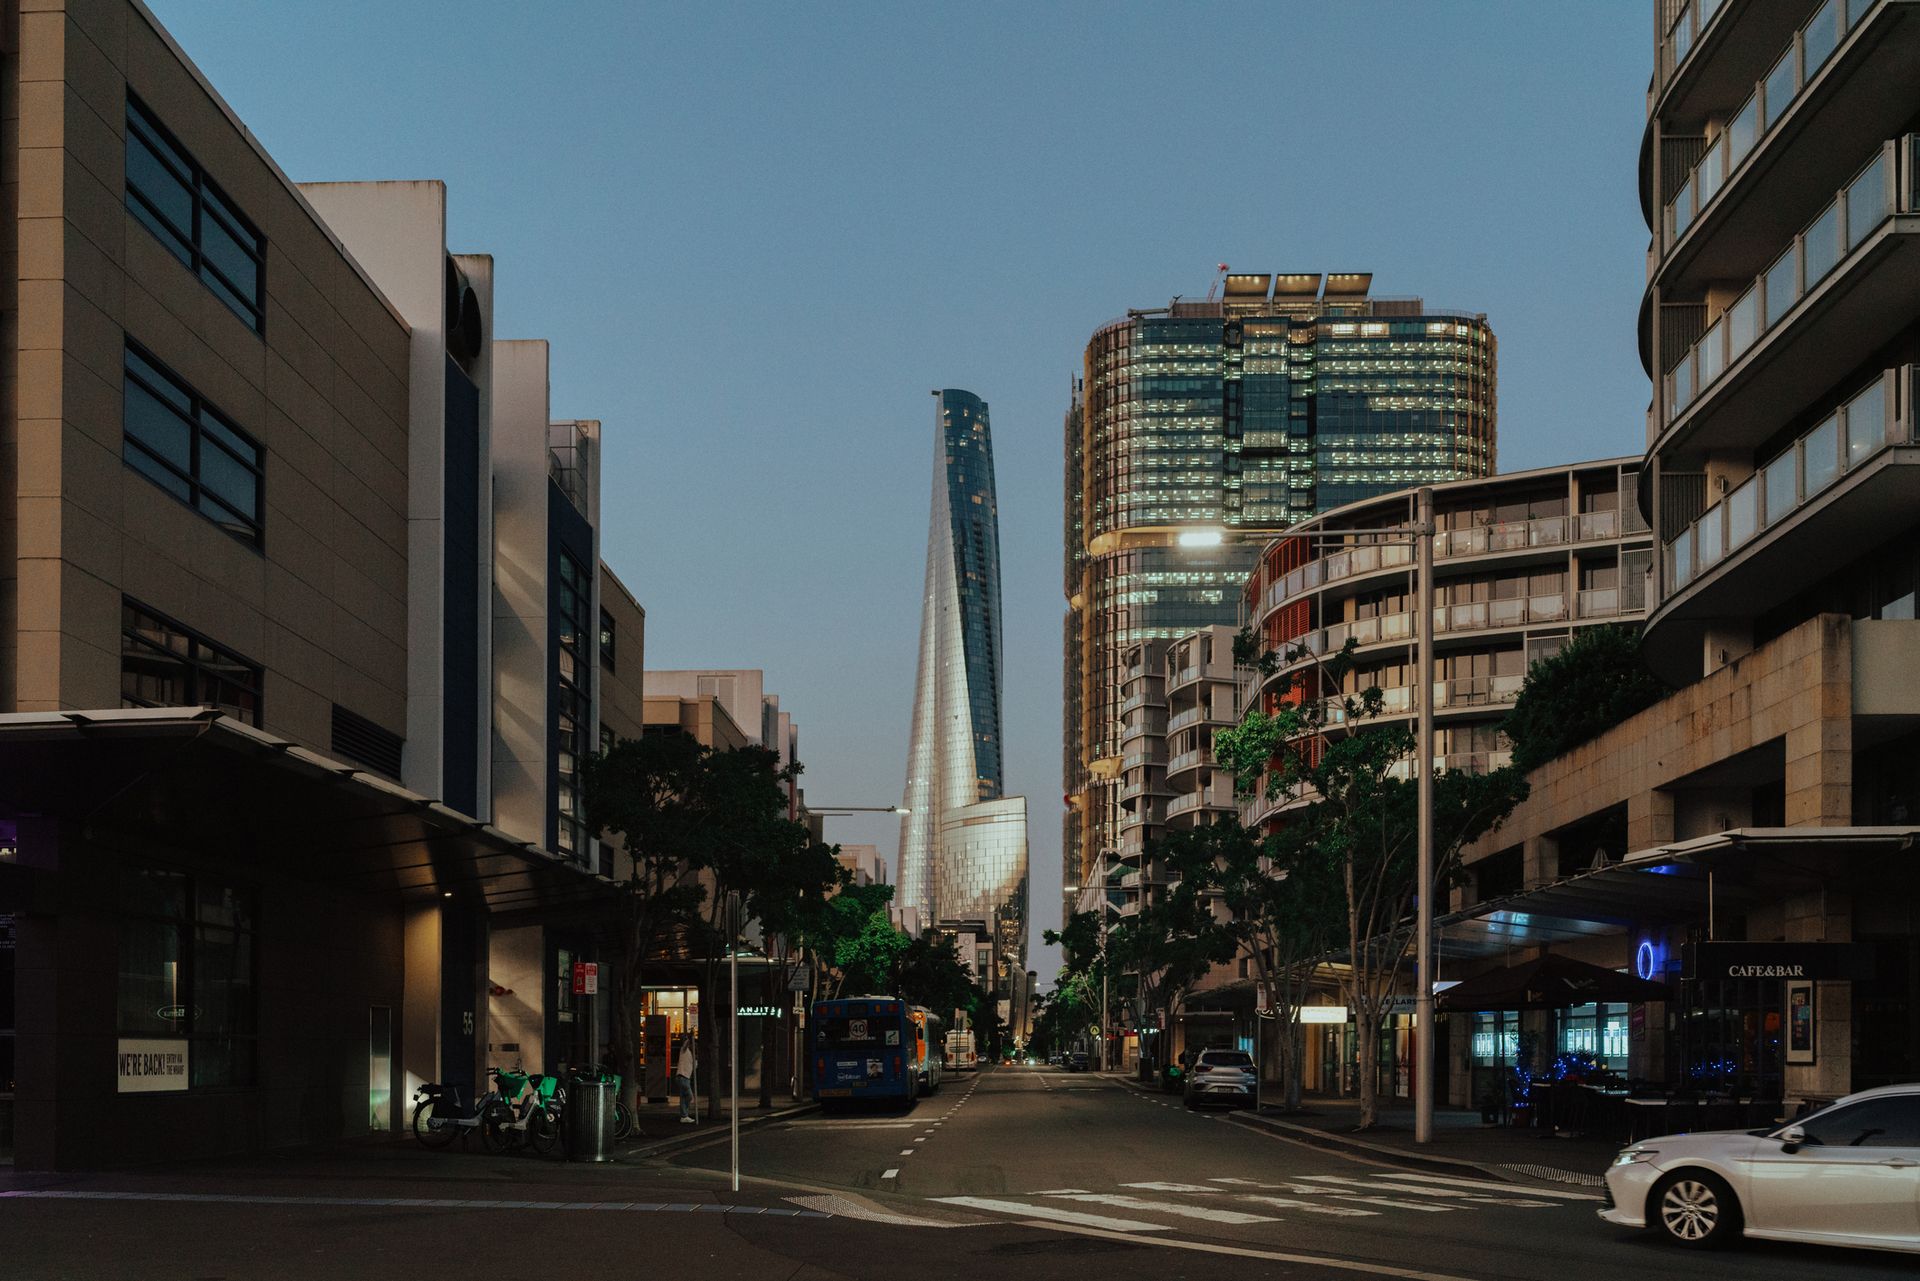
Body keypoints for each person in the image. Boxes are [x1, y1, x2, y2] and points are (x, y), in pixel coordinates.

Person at [675, 1038, 697, 1124]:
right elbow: (685, 1045)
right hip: (682, 1076)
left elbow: (693, 1067)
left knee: (684, 1097)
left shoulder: (692, 1055)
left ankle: (684, 1116)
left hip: (686, 1078)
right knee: (689, 1096)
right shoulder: (684, 1051)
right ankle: (684, 1115)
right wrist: (690, 1037)